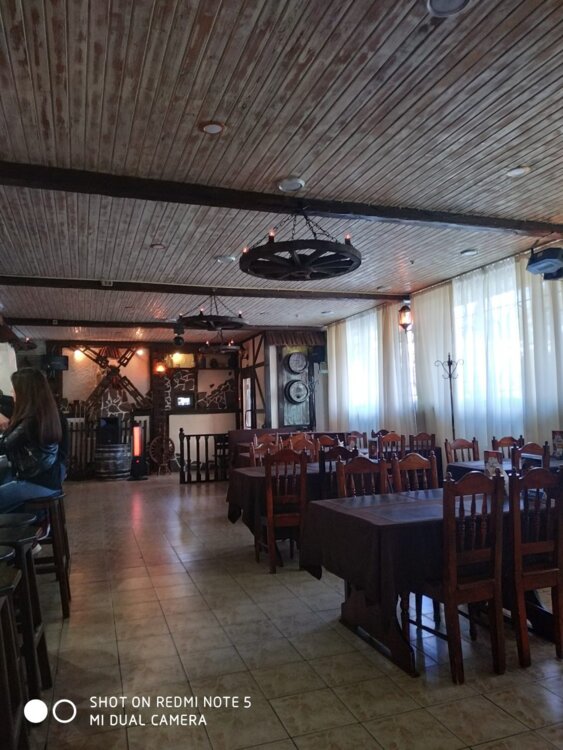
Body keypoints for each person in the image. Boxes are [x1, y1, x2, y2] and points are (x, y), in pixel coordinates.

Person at [0, 368, 67, 512]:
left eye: (15, 389)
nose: (12, 393)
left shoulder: (31, 421)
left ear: (25, 393)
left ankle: (27, 521)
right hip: (50, 479)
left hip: (38, 482)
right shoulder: (46, 413)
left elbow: (4, 445)